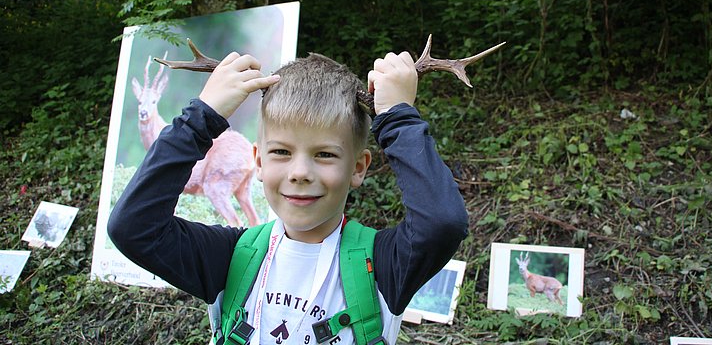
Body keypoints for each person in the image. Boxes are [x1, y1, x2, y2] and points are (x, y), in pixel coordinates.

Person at [108, 49, 469, 344]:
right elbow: (132, 227)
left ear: (358, 168)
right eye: (281, 152)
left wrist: (397, 118)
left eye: (325, 154)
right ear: (258, 161)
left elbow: (442, 222)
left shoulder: (383, 264)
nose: (299, 172)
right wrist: (201, 119)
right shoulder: (230, 258)